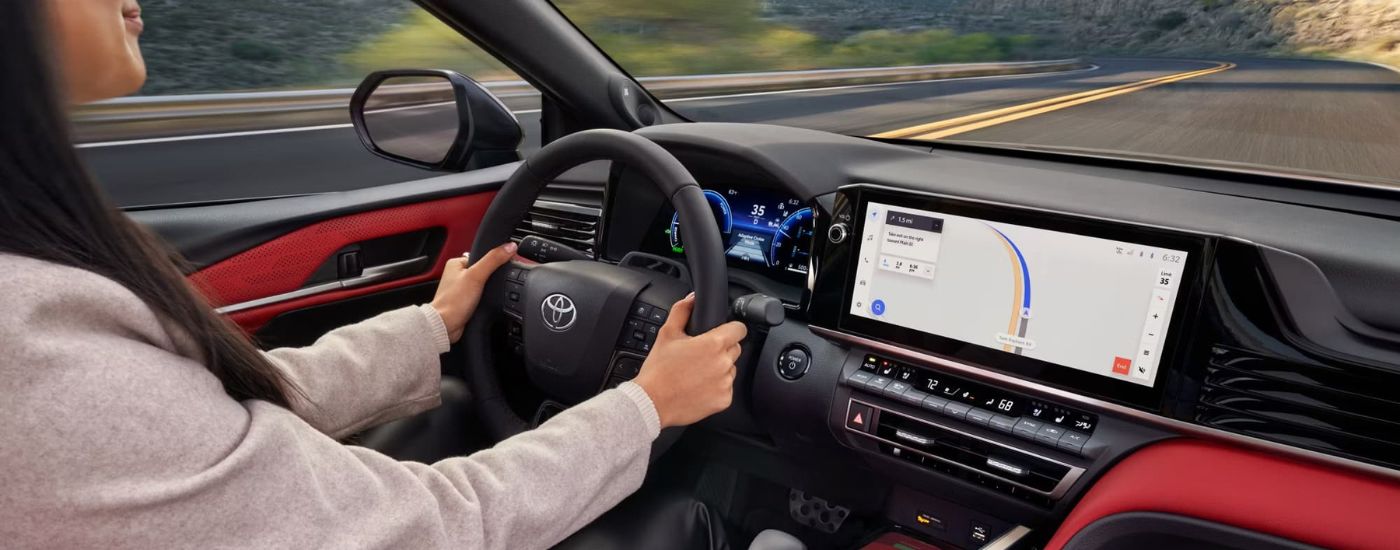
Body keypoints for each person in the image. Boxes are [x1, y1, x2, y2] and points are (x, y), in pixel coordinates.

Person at [0, 1, 748, 548]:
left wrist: (433, 324)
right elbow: (437, 525)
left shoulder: (33, 300)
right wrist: (648, 405)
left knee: (450, 406)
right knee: (679, 525)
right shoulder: (41, 362)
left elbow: (224, 412)